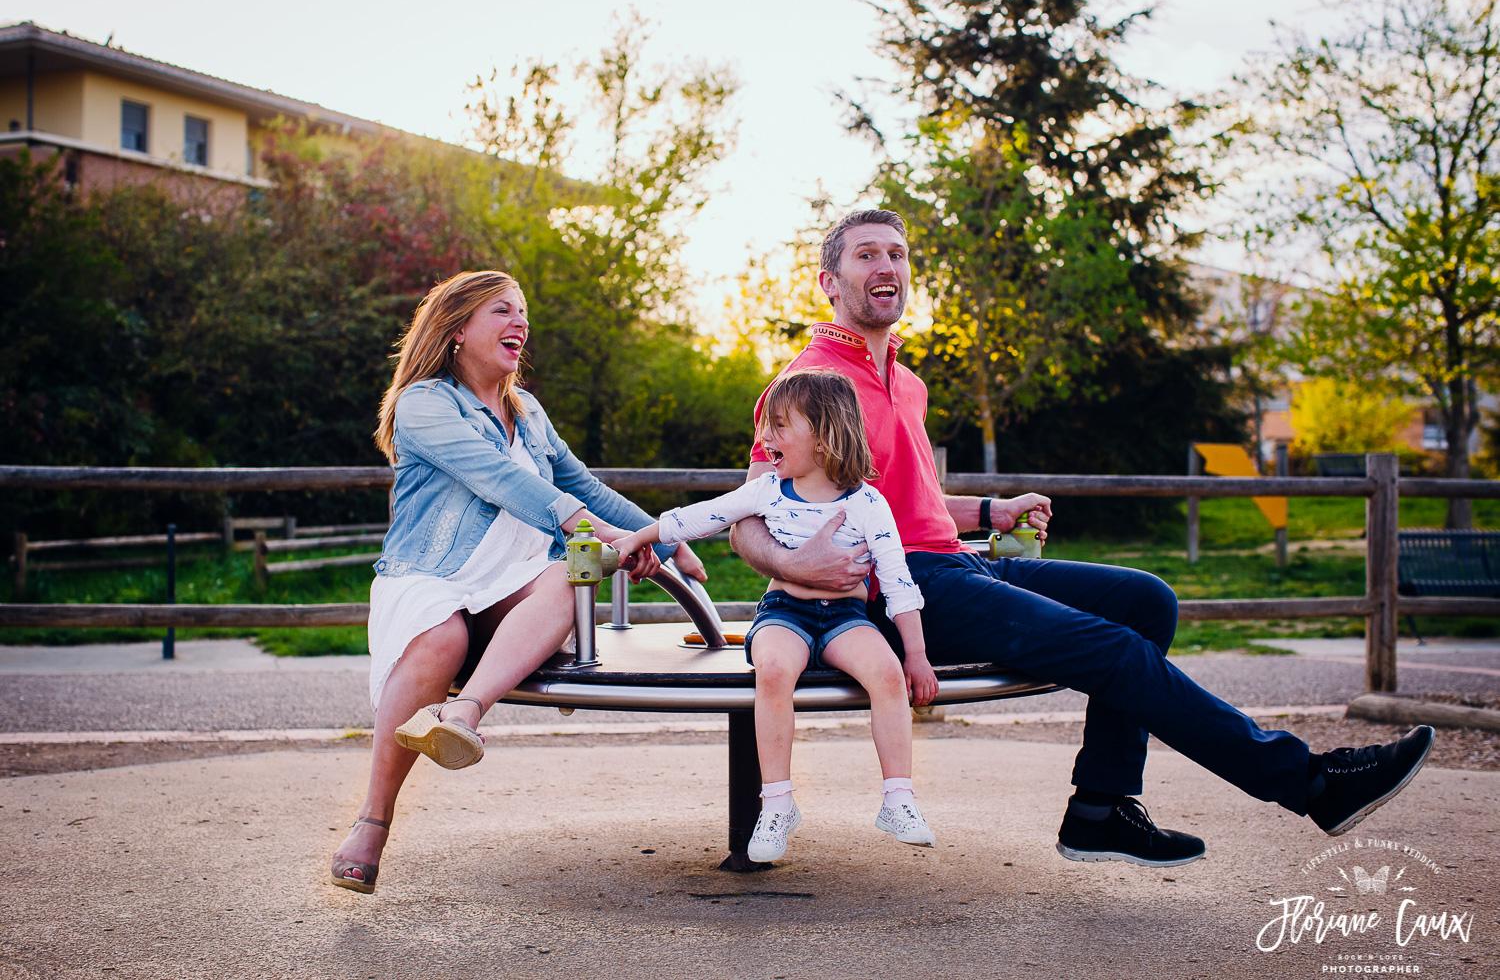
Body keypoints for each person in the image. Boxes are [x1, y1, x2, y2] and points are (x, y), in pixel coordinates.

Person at [728, 210, 1434, 869]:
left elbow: (899, 500)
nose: (888, 266)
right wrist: (795, 562)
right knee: (1115, 651)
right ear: (830, 282)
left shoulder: (903, 380)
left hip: (958, 563)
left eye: (898, 253)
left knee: (1146, 601)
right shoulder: (808, 384)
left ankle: (1100, 806)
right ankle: (1311, 780)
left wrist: (988, 511)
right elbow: (748, 520)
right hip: (900, 592)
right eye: (866, 255)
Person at [330, 270, 706, 894]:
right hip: (433, 576)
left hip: (511, 583)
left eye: (524, 312)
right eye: (502, 310)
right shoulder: (425, 403)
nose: (520, 323)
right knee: (441, 640)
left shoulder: (527, 410)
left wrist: (665, 538)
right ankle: (373, 820)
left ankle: (464, 715)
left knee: (563, 576)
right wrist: (607, 537)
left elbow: (581, 485)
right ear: (456, 330)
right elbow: (504, 483)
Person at [614, 369, 939, 863]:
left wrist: (915, 655)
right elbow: (704, 515)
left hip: (846, 617)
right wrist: (643, 536)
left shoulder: (869, 504)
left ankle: (898, 797)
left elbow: (898, 582)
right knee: (773, 670)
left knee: (887, 674)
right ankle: (778, 802)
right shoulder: (766, 489)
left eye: (780, 426)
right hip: (785, 613)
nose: (765, 437)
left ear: (826, 435)